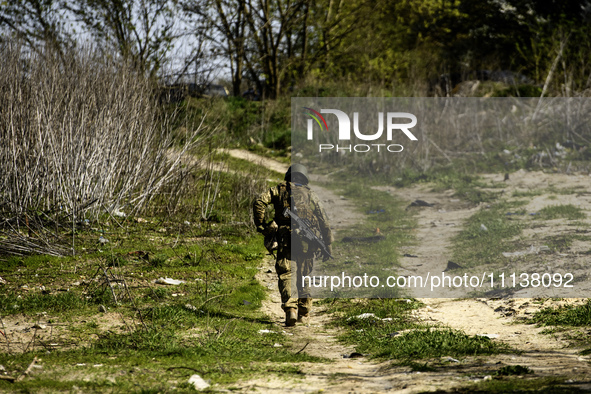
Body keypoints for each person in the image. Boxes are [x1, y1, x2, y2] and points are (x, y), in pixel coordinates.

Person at [253, 164, 332, 326]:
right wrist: (328, 242)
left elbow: (259, 202)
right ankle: (304, 311)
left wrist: (262, 225)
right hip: (306, 242)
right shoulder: (311, 195)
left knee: (286, 273)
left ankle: (290, 310)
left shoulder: (278, 190)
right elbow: (323, 220)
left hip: (284, 239)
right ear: (304, 177)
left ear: (288, 176)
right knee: (304, 274)